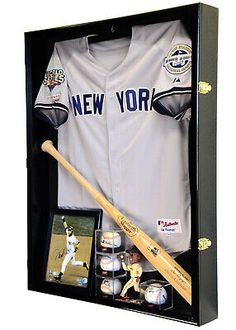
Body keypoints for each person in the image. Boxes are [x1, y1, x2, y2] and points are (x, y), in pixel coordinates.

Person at [54, 216, 88, 281]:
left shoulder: (73, 238)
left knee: (64, 264)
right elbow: (65, 226)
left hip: (71, 253)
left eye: (70, 231)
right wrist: (63, 219)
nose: (69, 232)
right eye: (68, 230)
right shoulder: (67, 232)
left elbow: (78, 243)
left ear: (72, 231)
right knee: (73, 263)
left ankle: (59, 277)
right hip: (69, 251)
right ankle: (84, 264)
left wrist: (75, 251)